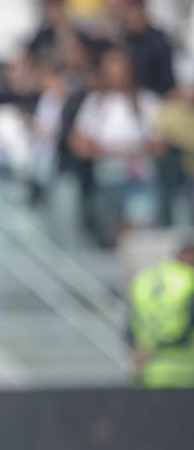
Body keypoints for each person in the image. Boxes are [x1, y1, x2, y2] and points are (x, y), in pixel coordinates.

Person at [69, 47, 165, 246]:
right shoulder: (95, 103)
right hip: (106, 182)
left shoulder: (146, 102)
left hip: (138, 181)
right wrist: (120, 150)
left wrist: (113, 149)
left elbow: (159, 145)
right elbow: (79, 144)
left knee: (138, 230)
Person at [129, 239, 194, 388]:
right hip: (187, 371)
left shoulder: (144, 279)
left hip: (150, 370)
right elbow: (187, 327)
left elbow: (130, 325)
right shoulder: (190, 280)